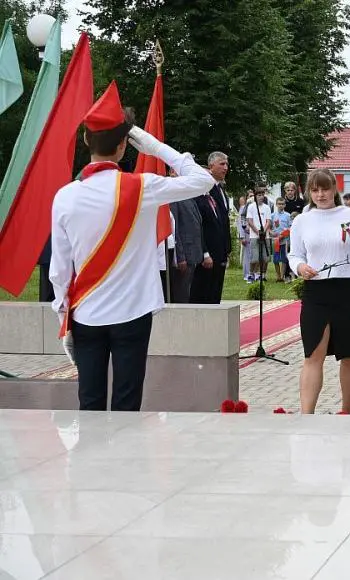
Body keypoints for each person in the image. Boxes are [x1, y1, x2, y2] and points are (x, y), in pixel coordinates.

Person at [49, 81, 216, 411]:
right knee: (127, 405)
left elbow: (59, 270)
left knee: (90, 402)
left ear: (86, 140)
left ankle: (89, 447)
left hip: (86, 313)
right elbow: (204, 180)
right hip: (133, 311)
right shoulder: (143, 187)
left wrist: (62, 317)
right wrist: (155, 147)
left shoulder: (65, 197)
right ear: (125, 145)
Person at [288, 168, 350, 414]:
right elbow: (294, 254)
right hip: (316, 292)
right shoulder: (301, 220)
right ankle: (306, 414)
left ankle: (346, 411)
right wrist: (300, 267)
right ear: (309, 192)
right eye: (315, 190)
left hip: (347, 290)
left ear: (334, 189)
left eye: (325, 189)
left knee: (349, 354)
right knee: (313, 354)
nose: (320, 194)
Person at [191, 152, 231, 303]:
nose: (225, 168)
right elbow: (198, 225)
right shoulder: (201, 192)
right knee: (203, 293)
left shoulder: (220, 190)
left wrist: (227, 249)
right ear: (211, 166)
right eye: (222, 164)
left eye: (227, 164)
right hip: (208, 251)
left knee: (215, 293)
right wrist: (204, 252)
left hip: (220, 251)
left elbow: (223, 221)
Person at [246, 188, 272, 281]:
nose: (261, 197)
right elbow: (250, 221)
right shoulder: (251, 207)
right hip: (254, 235)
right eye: (259, 195)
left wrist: (263, 231)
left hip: (265, 235)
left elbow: (268, 221)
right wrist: (257, 232)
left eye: (262, 195)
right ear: (255, 196)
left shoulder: (267, 207)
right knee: (255, 258)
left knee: (265, 258)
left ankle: (263, 275)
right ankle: (251, 274)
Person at [271, 197, 292, 282]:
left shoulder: (288, 215)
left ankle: (282, 277)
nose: (281, 205)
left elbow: (290, 228)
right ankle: (278, 276)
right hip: (275, 240)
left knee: (284, 259)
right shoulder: (272, 215)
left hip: (285, 240)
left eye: (282, 204)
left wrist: (283, 235)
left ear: (285, 205)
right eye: (279, 204)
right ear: (276, 205)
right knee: (275, 259)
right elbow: (269, 228)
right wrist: (271, 233)